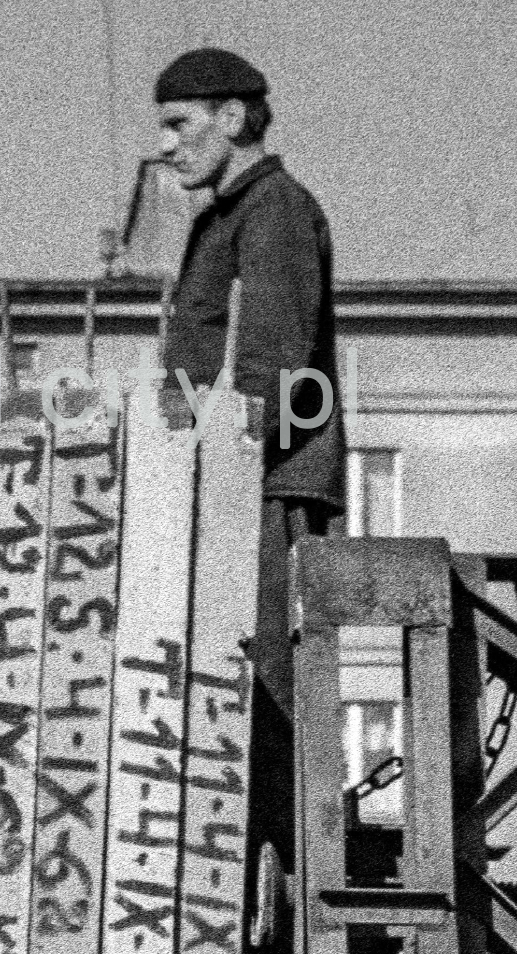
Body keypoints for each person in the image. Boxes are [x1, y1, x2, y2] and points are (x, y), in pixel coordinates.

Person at [151, 46, 341, 945]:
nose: (166, 145)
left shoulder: (272, 213)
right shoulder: (232, 213)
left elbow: (268, 371)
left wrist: (212, 468)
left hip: (257, 495)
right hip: (221, 494)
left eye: (180, 124)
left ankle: (261, 901)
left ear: (233, 118)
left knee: (254, 701)